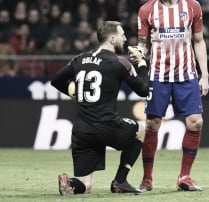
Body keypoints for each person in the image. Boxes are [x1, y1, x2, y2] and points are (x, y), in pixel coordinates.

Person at [51, 21, 150, 196]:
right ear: (112, 39)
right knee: (141, 130)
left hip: (82, 131)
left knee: (85, 185)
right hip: (107, 126)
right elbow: (143, 90)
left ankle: (69, 184)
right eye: (122, 35)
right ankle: (120, 181)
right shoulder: (119, 63)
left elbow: (56, 81)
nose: (125, 39)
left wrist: (71, 91)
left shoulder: (79, 59)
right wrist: (142, 63)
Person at [135, 0, 209, 192]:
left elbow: (198, 41)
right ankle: (147, 179)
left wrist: (204, 75)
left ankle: (185, 176)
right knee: (152, 124)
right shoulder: (147, 10)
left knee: (196, 121)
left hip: (186, 74)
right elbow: (142, 45)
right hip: (158, 75)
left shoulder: (193, 7)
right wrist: (139, 61)